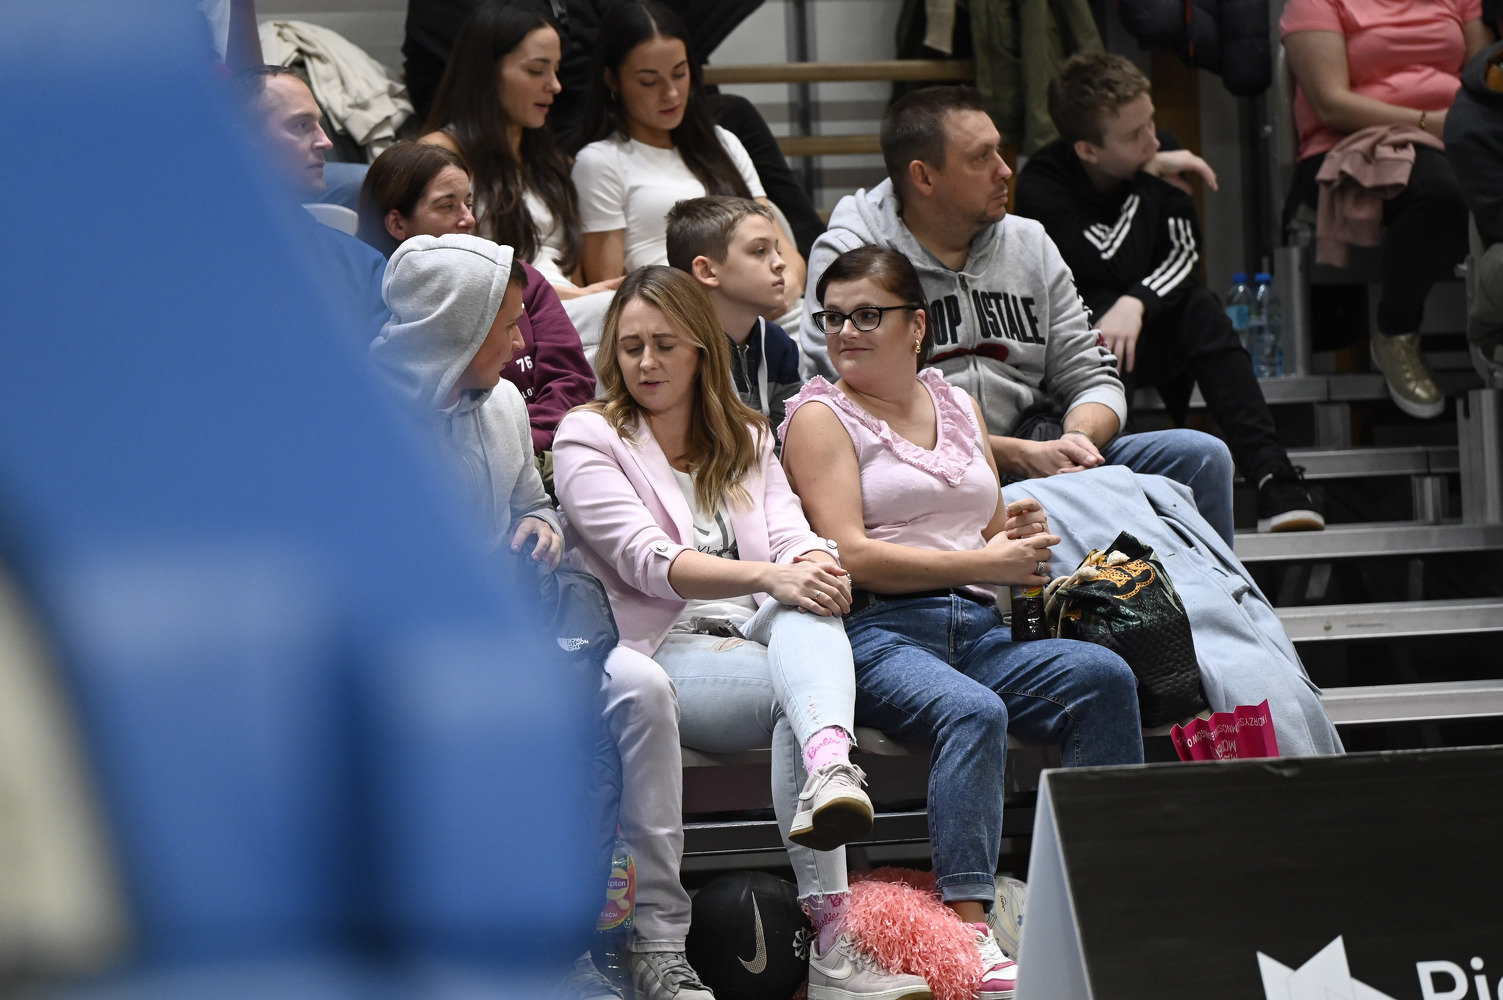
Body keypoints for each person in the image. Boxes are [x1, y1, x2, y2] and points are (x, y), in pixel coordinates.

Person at [553, 266, 931, 1000]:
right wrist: (775, 577)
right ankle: (833, 945)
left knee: (808, 618)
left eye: (665, 344)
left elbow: (791, 534)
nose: (646, 362)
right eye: (631, 346)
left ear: (701, 348)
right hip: (658, 647)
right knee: (802, 667)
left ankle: (829, 776)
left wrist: (814, 563)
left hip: (756, 636)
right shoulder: (589, 436)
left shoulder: (747, 436)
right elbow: (645, 559)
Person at [781, 245, 1145, 1000]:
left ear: (916, 326)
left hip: (976, 627)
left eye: (865, 315)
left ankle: (1097, 902)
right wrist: (985, 561)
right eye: (832, 317)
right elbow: (850, 554)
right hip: (877, 629)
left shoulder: (956, 404)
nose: (844, 331)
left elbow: (981, 532)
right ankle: (968, 932)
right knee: (971, 711)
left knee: (1103, 677)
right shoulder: (819, 416)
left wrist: (1014, 536)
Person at [798, 85, 1238, 546]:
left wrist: (1076, 441)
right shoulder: (853, 256)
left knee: (1200, 456)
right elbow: (847, 408)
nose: (1005, 169)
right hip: (935, 477)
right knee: (1035, 508)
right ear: (923, 177)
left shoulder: (1030, 242)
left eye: (999, 150)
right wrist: (1016, 456)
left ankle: (1220, 592)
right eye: (981, 158)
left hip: (1047, 448)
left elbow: (1091, 375)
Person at [1015, 53, 1324, 533]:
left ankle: (1273, 477)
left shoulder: (1159, 150)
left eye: (1152, 122)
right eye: (1134, 135)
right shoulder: (1043, 182)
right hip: (1088, 347)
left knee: (1202, 307)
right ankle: (1123, 502)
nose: (1154, 141)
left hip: (1158, 329)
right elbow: (1108, 259)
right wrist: (1147, 180)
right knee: (1098, 320)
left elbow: (1183, 256)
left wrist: (1137, 301)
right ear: (1088, 150)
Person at [1282, 0, 1491, 418]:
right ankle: (1396, 329)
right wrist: (1429, 122)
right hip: (1352, 140)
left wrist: (1464, 124)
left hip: (1456, 134)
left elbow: (1485, 77)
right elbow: (1331, 103)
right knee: (1442, 192)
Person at [356, 141, 596, 461]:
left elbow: (572, 380)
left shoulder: (517, 278)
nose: (468, 218)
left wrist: (522, 446)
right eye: (447, 206)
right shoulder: (371, 305)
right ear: (397, 224)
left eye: (469, 203)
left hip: (548, 448)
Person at [568, 1, 807, 319]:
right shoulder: (600, 161)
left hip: (774, 314)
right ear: (613, 80)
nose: (671, 93)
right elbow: (610, 290)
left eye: (679, 73)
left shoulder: (722, 142)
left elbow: (787, 253)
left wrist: (781, 297)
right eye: (649, 81)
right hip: (684, 321)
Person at [418, 0, 623, 357]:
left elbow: (572, 269)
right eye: (536, 70)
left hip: (567, 311)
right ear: (487, 73)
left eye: (556, 70)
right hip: (505, 316)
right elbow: (452, 274)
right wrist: (579, 296)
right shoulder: (439, 155)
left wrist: (581, 293)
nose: (555, 86)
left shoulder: (553, 162)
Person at [234, 64, 390, 340]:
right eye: (302, 125)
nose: (326, 141)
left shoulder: (362, 265)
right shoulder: (181, 257)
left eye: (319, 125)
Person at [666, 195, 803, 435]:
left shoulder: (778, 344)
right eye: (759, 251)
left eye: (778, 251)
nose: (780, 263)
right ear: (707, 271)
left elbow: (787, 438)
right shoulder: (674, 349)